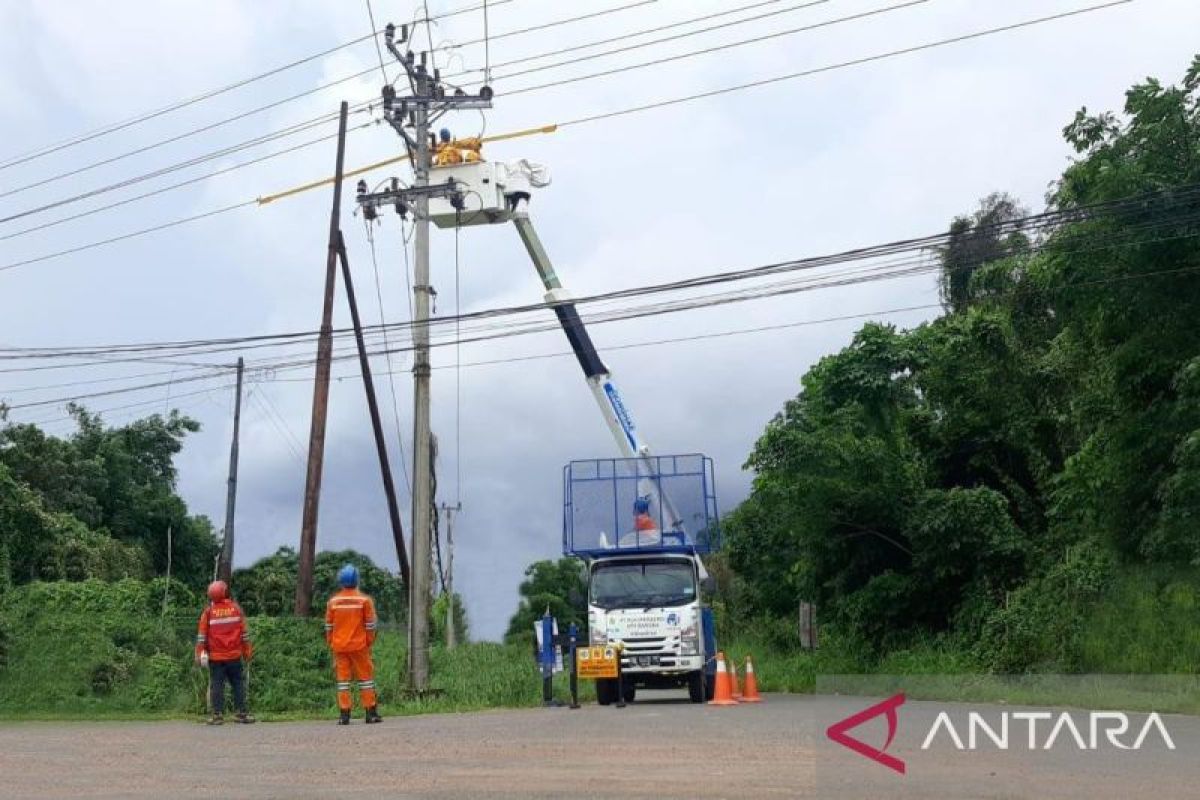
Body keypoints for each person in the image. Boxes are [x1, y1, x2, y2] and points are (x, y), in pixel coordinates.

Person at [326, 564, 382, 725]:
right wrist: (368, 642)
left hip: (339, 647)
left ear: (340, 581)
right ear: (357, 580)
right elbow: (370, 625)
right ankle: (370, 713)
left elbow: (329, 626)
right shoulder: (364, 601)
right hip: (359, 646)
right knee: (366, 679)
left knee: (343, 681)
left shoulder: (333, 602)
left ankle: (344, 716)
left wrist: (332, 642)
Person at [195, 580, 255, 725]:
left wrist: (199, 653)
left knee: (217, 685)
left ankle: (217, 716)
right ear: (224, 592)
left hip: (216, 658)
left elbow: (202, 636)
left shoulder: (208, 613)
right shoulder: (236, 609)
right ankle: (241, 714)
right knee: (238, 684)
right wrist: (247, 652)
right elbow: (244, 634)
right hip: (234, 656)